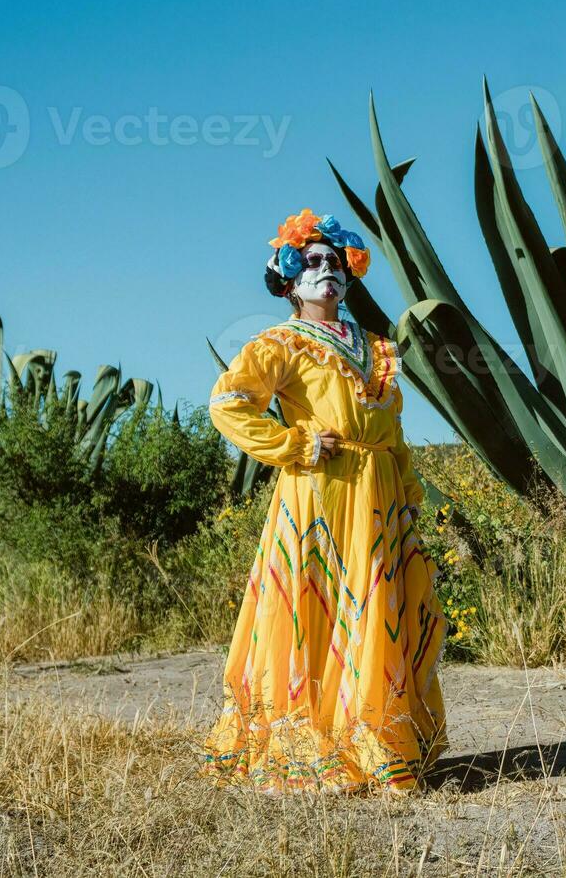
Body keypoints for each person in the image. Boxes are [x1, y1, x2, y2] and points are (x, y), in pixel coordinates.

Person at [201, 208, 446, 794]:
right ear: (288, 279)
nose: (325, 272)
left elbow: (394, 433)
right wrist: (296, 444)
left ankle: (377, 742)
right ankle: (312, 745)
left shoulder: (378, 348)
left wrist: (409, 494)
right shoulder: (279, 344)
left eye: (334, 261)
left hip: (379, 498)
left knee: (379, 606)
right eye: (310, 263)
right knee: (314, 612)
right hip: (317, 493)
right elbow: (227, 405)